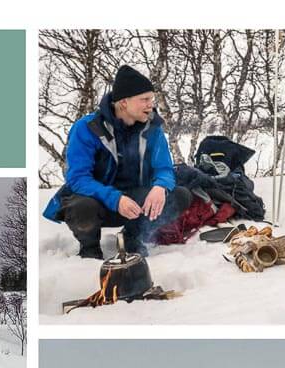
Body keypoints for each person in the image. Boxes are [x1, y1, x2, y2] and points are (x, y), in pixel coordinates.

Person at [43, 64, 192, 259]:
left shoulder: (152, 129)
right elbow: (78, 179)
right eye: (144, 99)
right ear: (123, 102)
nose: (150, 105)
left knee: (180, 196)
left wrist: (160, 186)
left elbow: (164, 168)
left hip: (136, 204)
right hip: (97, 203)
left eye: (151, 99)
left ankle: (133, 237)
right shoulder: (87, 128)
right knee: (82, 207)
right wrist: (115, 199)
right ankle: (90, 249)